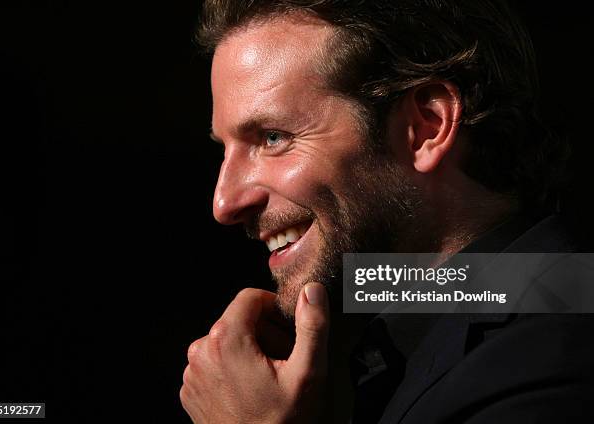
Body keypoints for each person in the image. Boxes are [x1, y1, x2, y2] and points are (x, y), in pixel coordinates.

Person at [180, 1, 594, 422]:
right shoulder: (397, 339)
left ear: (426, 127)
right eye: (225, 148)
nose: (224, 202)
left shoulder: (552, 359)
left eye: (272, 138)